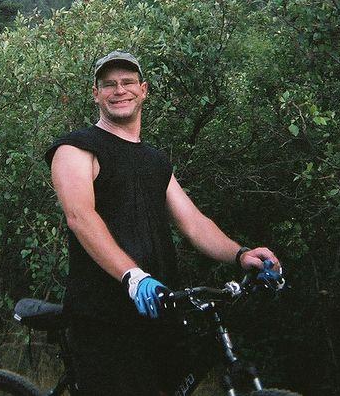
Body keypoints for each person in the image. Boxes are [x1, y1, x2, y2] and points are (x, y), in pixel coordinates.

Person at [44, 50, 280, 396]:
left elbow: (194, 224)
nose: (118, 90)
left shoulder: (155, 160)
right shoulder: (76, 148)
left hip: (160, 310)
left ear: (144, 90)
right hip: (103, 316)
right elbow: (81, 218)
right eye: (108, 84)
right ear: (95, 94)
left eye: (127, 83)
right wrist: (133, 275)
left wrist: (241, 254)